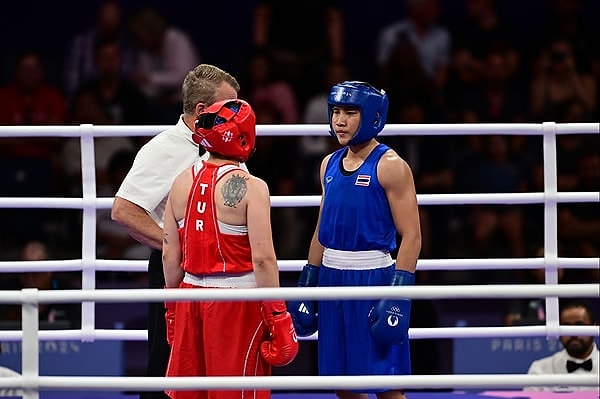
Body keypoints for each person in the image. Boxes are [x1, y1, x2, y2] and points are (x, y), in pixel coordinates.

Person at [111, 64, 241, 399]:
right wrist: (180, 247)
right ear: (201, 111)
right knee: (167, 366)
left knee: (211, 367)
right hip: (176, 271)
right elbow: (124, 210)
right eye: (229, 106)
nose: (238, 114)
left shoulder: (227, 143)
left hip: (219, 272)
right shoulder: (165, 148)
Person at [289, 81, 422, 399]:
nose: (340, 120)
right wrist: (309, 280)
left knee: (385, 383)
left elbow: (412, 235)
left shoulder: (390, 167)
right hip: (332, 279)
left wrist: (398, 294)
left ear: (373, 117)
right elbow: (323, 228)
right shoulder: (328, 165)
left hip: (372, 277)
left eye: (350, 112)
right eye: (336, 111)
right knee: (343, 383)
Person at [162, 98, 298, 399]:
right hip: (237, 303)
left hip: (188, 296)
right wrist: (277, 315)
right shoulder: (252, 187)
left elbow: (170, 253)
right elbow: (263, 260)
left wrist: (172, 310)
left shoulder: (180, 182)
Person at [525, 299, 599, 392]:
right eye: (566, 326)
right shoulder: (540, 369)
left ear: (594, 327)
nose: (573, 333)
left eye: (579, 325)